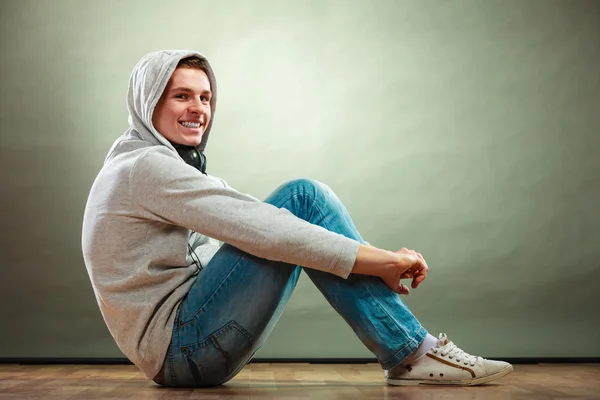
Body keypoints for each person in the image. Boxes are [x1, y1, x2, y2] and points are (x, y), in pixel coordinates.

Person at [81, 49, 513, 388]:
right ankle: (413, 353)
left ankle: (411, 352)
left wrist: (368, 259)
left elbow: (250, 216)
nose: (199, 109)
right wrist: (379, 261)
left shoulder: (143, 163)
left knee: (291, 217)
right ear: (147, 102)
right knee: (303, 200)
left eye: (206, 97)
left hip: (187, 348)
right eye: (182, 96)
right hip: (183, 350)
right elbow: (265, 227)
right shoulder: (146, 168)